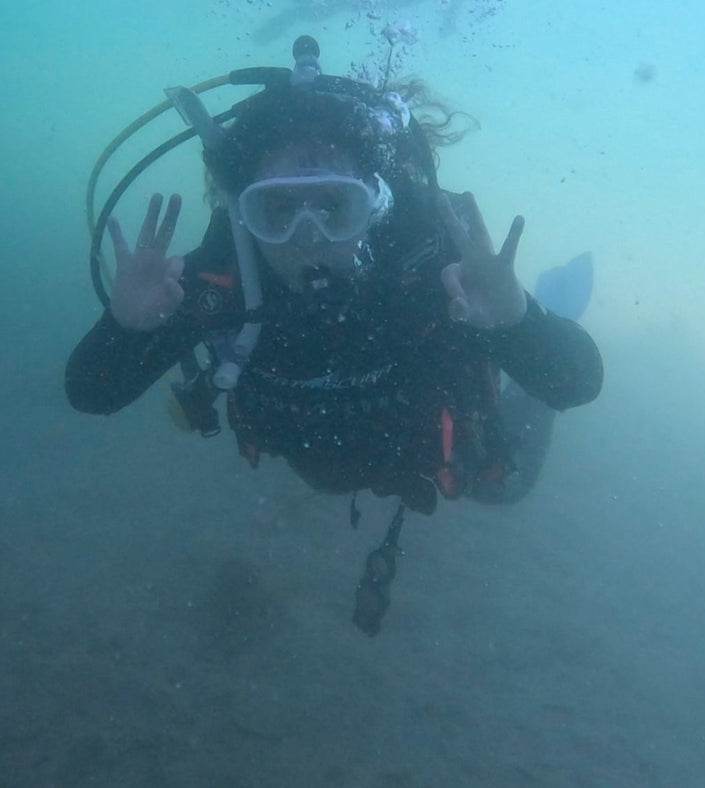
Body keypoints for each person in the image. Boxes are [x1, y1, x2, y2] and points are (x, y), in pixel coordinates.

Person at [66, 38, 602, 633]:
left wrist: (517, 320)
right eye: (277, 212)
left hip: (423, 446)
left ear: (374, 205)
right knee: (322, 477)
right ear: (244, 213)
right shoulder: (219, 279)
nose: (309, 235)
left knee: (506, 488)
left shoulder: (432, 269)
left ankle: (552, 300)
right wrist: (127, 327)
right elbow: (92, 393)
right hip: (319, 454)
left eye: (335, 207)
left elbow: (578, 383)